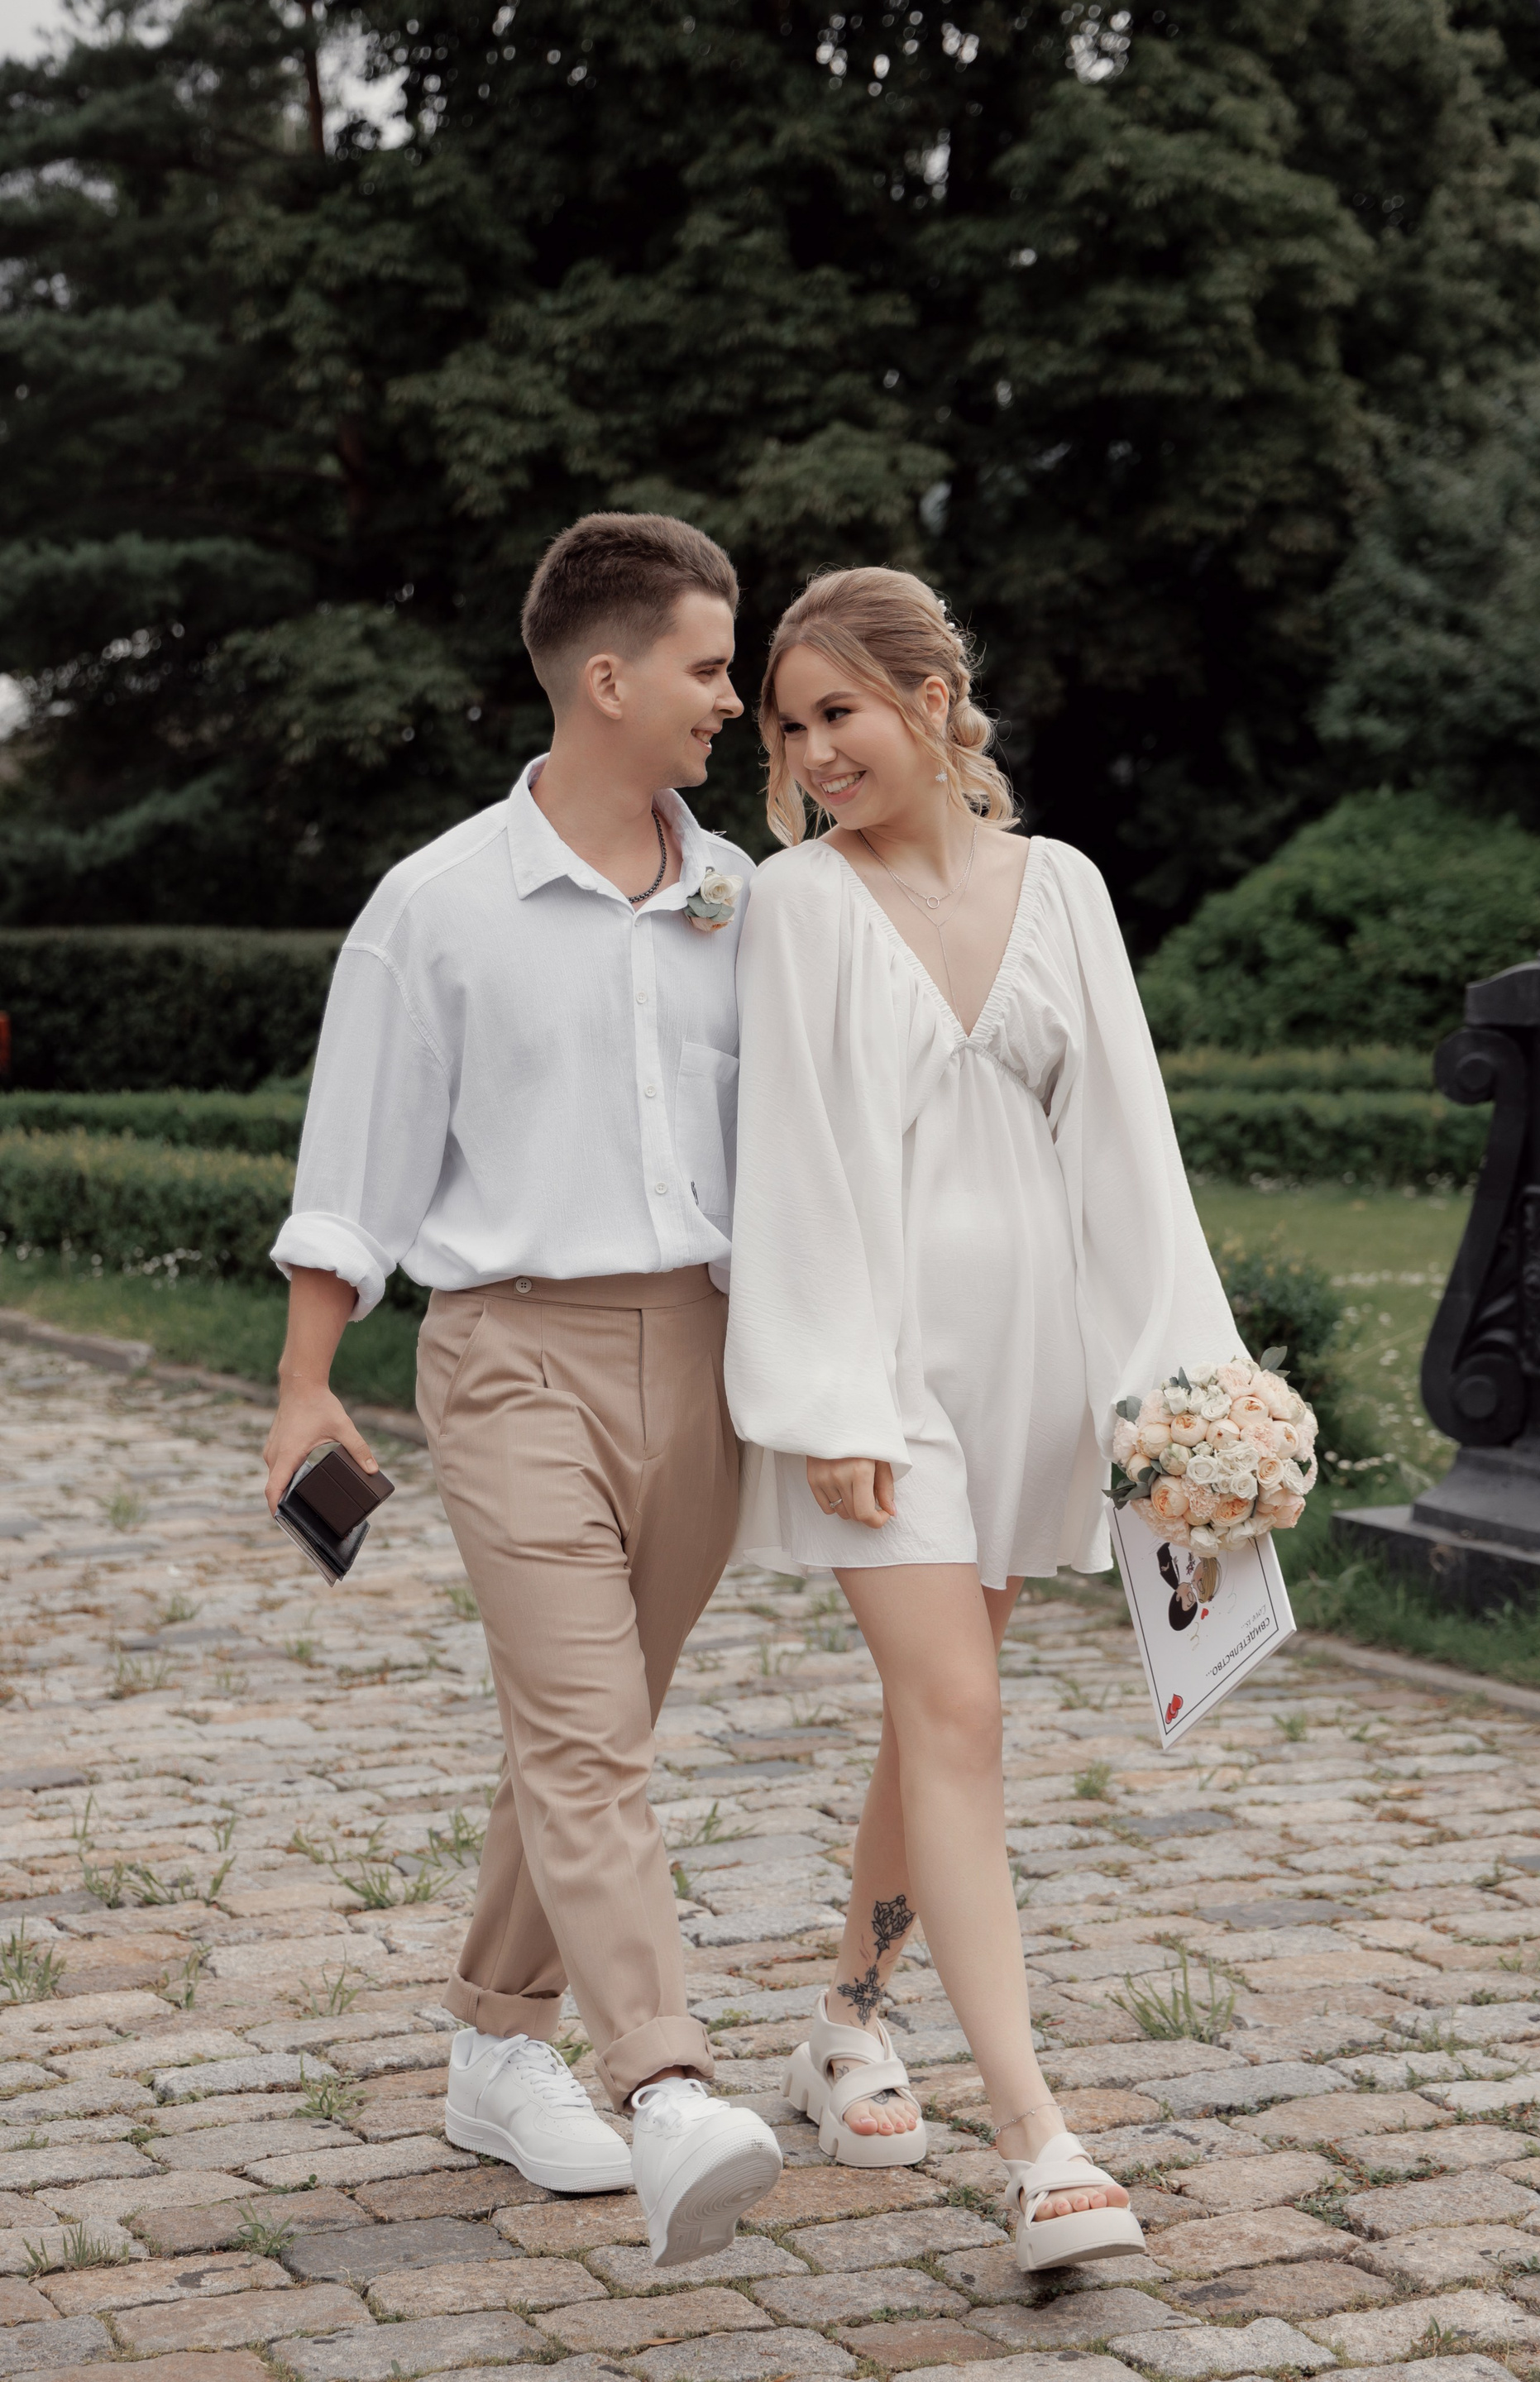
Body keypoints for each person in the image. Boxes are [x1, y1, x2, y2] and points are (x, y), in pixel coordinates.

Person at [263, 512, 783, 2268]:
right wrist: (306, 1387)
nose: (735, 700)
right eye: (711, 668)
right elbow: (355, 1172)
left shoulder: (744, 902)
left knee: (591, 1733)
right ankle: (668, 2085)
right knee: (583, 1734)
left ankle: (496, 2044)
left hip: (703, 1363)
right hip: (512, 1360)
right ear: (608, 678)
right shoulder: (436, 908)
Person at [725, 567, 1242, 2273]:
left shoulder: (1065, 886)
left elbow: (1129, 1148)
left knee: (935, 1714)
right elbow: (793, 1157)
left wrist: (1187, 1402)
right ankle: (1038, 2142)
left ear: (934, 699)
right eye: (788, 728)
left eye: (838, 713)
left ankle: (844, 2018)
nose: (812, 752)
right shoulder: (799, 904)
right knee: (956, 1708)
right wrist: (828, 1392)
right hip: (875, 1375)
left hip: (1030, 1366)